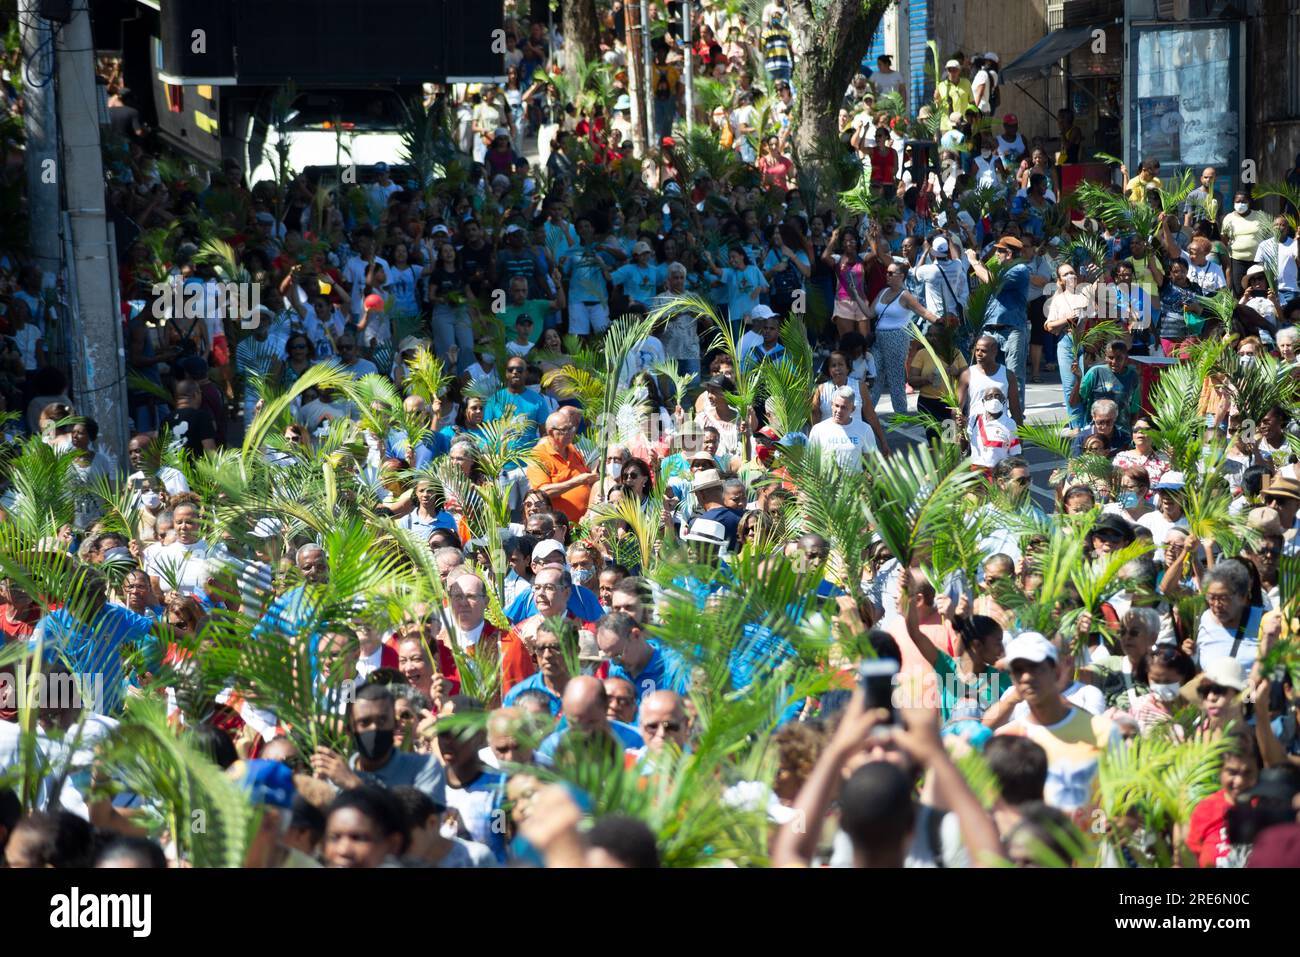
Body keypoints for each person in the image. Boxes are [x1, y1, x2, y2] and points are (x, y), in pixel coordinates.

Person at [807, 385, 879, 472]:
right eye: (837, 406)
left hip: (854, 480)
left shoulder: (864, 429)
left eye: (844, 407)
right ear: (831, 405)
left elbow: (873, 464)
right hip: (825, 481)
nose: (839, 411)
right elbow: (810, 462)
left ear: (853, 409)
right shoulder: (818, 430)